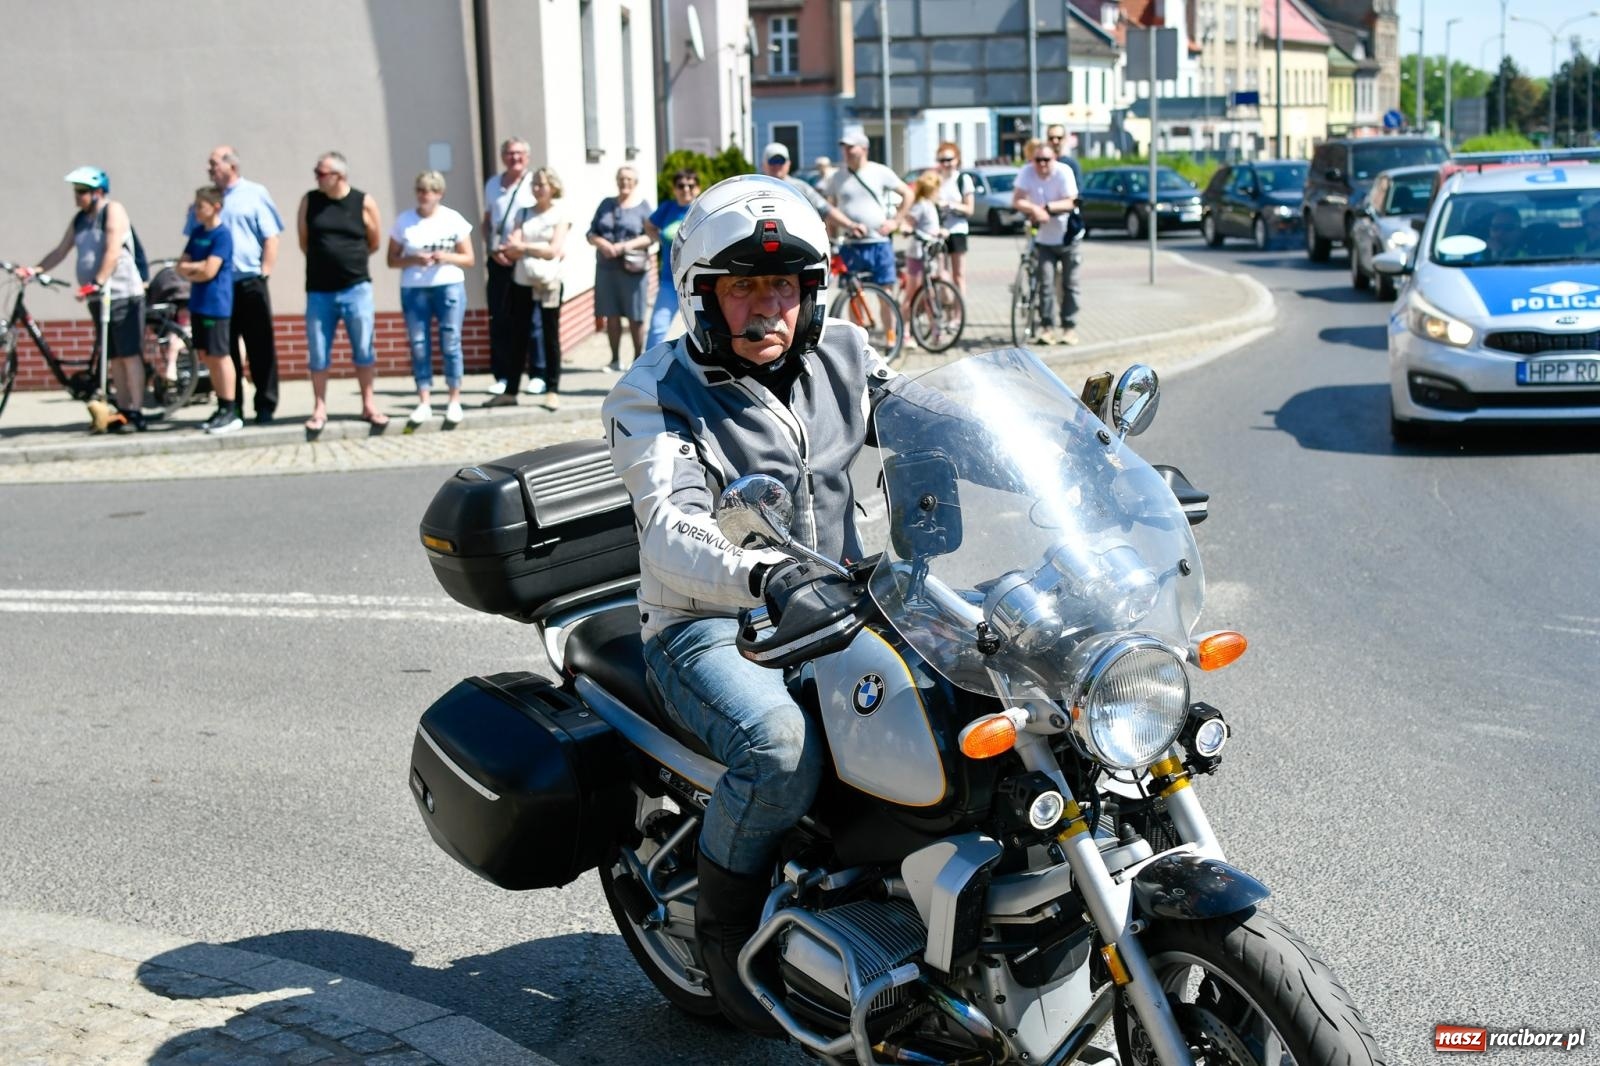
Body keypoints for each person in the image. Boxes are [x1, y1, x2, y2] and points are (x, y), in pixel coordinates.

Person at [603, 174, 930, 1037]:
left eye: (783, 287)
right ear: (702, 296)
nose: (768, 308)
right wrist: (760, 575)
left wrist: (1073, 457)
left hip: (842, 601)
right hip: (708, 623)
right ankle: (725, 942)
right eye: (744, 286)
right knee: (779, 750)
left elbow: (933, 423)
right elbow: (670, 524)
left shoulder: (848, 355)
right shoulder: (656, 390)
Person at [21, 166, 147, 430]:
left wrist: (98, 281)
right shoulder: (80, 219)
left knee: (129, 355)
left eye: (82, 192)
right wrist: (35, 270)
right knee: (113, 357)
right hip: (99, 299)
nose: (77, 197)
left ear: (98, 192)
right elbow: (61, 250)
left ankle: (136, 411)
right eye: (76, 192)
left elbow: (113, 250)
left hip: (122, 293)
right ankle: (122, 410)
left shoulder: (113, 211)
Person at [192, 145, 284, 425]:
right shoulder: (208, 199)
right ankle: (232, 407)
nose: (210, 170)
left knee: (260, 346)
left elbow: (271, 236)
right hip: (219, 287)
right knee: (224, 348)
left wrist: (264, 273)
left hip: (249, 281)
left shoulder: (254, 194)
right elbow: (195, 237)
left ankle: (265, 405)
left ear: (231, 166)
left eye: (214, 164)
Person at [298, 151, 385, 432]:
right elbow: (305, 242)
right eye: (316, 172)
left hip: (356, 287)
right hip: (319, 291)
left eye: (321, 173)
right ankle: (320, 407)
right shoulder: (310, 201)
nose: (316, 177)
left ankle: (368, 404)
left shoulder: (363, 201)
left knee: (363, 348)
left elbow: (374, 241)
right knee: (319, 351)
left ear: (339, 176)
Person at [388, 170, 475, 430]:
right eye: (420, 190)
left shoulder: (453, 219)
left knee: (451, 340)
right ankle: (424, 400)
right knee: (418, 343)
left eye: (429, 190)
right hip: (415, 288)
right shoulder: (405, 220)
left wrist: (444, 257)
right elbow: (392, 259)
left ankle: (453, 399)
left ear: (439, 193)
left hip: (447, 284)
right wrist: (415, 259)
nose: (424, 195)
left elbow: (468, 258)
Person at [486, 166, 570, 410]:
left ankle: (552, 389)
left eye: (541, 184)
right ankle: (511, 390)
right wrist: (533, 248)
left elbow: (553, 250)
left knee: (549, 335)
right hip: (522, 280)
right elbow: (512, 246)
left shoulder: (559, 215)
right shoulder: (523, 213)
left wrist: (525, 247)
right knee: (518, 335)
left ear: (552, 187)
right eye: (534, 184)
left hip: (549, 281)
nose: (536, 189)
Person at [179, 186, 240, 434]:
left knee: (220, 355)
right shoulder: (196, 233)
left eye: (200, 206)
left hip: (216, 304)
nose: (196, 210)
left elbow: (209, 271)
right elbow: (180, 266)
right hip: (198, 303)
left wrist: (195, 268)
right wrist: (196, 267)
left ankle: (230, 409)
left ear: (215, 207)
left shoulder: (222, 236)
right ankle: (220, 405)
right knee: (206, 356)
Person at [1012, 139, 1082, 346]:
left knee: (1070, 283)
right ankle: (1047, 328)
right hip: (1043, 238)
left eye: (1046, 160)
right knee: (1045, 283)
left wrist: (1048, 208)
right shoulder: (1027, 172)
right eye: (1038, 160)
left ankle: (1069, 328)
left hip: (1068, 235)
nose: (1042, 164)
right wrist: (1034, 210)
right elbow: (1017, 200)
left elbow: (1072, 201)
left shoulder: (1064, 172)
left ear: (1054, 158)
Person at [482, 138, 537, 397]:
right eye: (509, 153)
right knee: (500, 318)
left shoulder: (533, 183)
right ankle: (502, 374)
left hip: (524, 261)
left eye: (519, 153)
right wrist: (492, 248)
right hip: (498, 260)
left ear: (526, 156)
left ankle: (537, 373)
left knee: (531, 320)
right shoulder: (493, 183)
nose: (514, 157)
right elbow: (488, 220)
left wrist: (518, 249)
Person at [823, 127, 911, 287]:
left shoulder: (880, 171)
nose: (846, 152)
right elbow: (831, 209)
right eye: (844, 148)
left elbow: (908, 194)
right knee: (853, 297)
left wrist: (896, 222)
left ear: (864, 148)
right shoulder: (837, 177)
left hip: (879, 242)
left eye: (851, 147)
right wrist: (832, 241)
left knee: (886, 293)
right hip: (851, 245)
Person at [588, 165, 654, 372]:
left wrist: (625, 246)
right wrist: (603, 245)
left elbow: (651, 236)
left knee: (635, 316)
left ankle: (637, 359)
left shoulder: (643, 207)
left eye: (629, 179)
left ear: (635, 183)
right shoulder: (606, 204)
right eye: (621, 179)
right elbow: (591, 232)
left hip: (633, 269)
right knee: (611, 314)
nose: (624, 183)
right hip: (607, 268)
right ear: (617, 181)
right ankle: (615, 359)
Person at [643, 168, 698, 352]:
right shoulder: (668, 208)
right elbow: (649, 225)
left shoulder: (701, 208)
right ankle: (648, 367)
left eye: (691, 185)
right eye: (681, 185)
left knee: (702, 327)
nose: (686, 189)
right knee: (658, 326)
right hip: (670, 280)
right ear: (674, 189)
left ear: (697, 188)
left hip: (698, 280)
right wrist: (661, 240)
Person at [760, 142, 860, 234]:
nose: (777, 165)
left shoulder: (800, 187)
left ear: (788, 164)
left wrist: (851, 225)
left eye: (781, 161)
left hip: (793, 244)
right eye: (773, 161)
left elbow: (825, 209)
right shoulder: (755, 188)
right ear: (763, 165)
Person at [901, 170, 946, 331]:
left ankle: (934, 327)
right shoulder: (920, 205)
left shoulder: (930, 205)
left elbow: (929, 227)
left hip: (929, 254)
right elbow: (908, 224)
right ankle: (905, 330)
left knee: (929, 294)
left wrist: (939, 231)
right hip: (917, 255)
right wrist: (906, 229)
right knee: (911, 295)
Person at [932, 141, 975, 293]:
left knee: (958, 274)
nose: (946, 164)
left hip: (958, 229)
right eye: (942, 160)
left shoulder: (963, 179)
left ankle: (959, 314)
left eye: (949, 159)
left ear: (957, 160)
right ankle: (947, 307)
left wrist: (951, 205)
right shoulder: (936, 180)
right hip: (939, 230)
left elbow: (970, 209)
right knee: (942, 274)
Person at [1044, 124, 1085, 190]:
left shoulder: (1072, 164)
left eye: (1059, 138)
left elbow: (1078, 192)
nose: (1055, 141)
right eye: (1051, 138)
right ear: (1047, 139)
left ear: (1065, 139)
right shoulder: (1038, 163)